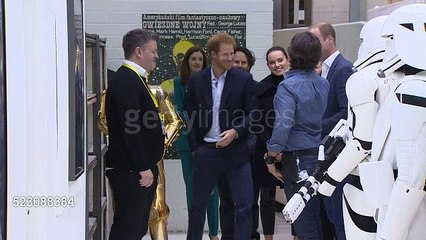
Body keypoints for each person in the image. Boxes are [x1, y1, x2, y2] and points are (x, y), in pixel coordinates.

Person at [185, 32, 257, 240]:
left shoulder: (244, 79)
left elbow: (253, 114)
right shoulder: (197, 81)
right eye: (225, 54)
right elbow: (188, 114)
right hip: (206, 150)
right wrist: (194, 147)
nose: (230, 58)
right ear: (213, 54)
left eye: (232, 53)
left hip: (236, 150)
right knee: (197, 205)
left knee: (243, 204)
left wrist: (236, 132)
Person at [266, 31, 329, 240]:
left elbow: (283, 124)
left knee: (304, 224)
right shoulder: (323, 83)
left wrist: (271, 155)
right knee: (320, 222)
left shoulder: (288, 86)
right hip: (322, 158)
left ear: (291, 55)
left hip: (298, 160)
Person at [105, 28, 165, 240]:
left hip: (137, 169)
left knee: (137, 228)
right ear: (139, 51)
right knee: (128, 229)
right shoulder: (126, 81)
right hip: (131, 170)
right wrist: (142, 166)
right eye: (153, 51)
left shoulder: (134, 79)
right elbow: (131, 128)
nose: (157, 55)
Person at [309, 22, 354, 240]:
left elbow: (346, 113)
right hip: (324, 152)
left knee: (338, 216)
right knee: (328, 215)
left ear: (329, 39)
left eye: (315, 40)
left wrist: (316, 127)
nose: (311, 46)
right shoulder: (322, 70)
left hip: (338, 152)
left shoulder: (343, 68)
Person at [173, 45, 220, 240]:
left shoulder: (213, 82)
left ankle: (214, 233)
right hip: (188, 143)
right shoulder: (179, 82)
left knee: (213, 190)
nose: (197, 62)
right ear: (187, 62)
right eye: (194, 59)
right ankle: (195, 234)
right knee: (193, 191)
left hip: (210, 143)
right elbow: (181, 110)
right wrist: (193, 139)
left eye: (201, 59)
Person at [217, 46, 257, 240]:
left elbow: (256, 122)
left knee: (247, 204)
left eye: (244, 62)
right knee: (226, 201)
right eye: (236, 62)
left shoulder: (255, 88)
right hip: (224, 155)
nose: (240, 66)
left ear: (249, 65)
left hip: (248, 156)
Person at [251, 46, 289, 240]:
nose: (277, 65)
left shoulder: (295, 84)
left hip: (291, 150)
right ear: (267, 65)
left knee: (294, 197)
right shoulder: (261, 88)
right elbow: (256, 122)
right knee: (267, 198)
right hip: (266, 151)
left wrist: (284, 147)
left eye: (280, 60)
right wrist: (272, 149)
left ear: (287, 60)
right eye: (272, 62)